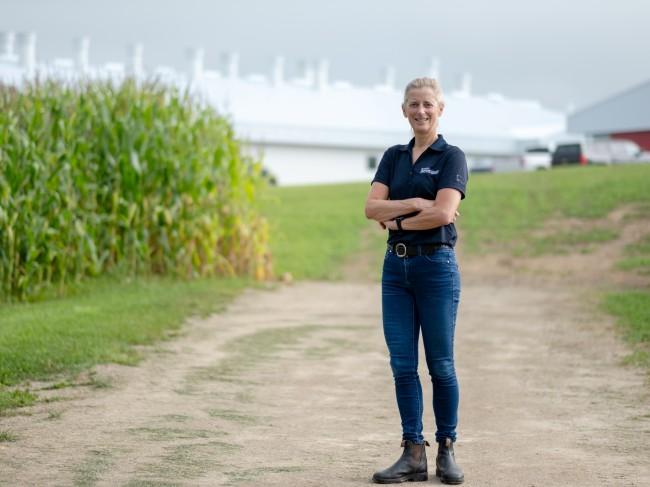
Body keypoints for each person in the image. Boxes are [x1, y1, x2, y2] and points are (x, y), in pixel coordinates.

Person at [364, 77, 467, 485]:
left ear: (440, 109)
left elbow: (443, 214)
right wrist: (415, 203)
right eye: (413, 105)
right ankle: (412, 454)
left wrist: (398, 218)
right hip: (396, 270)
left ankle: (447, 450)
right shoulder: (393, 156)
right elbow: (371, 208)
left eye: (427, 104)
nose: (420, 111)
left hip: (436, 268)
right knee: (403, 365)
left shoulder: (452, 157)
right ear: (403, 110)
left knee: (440, 365)